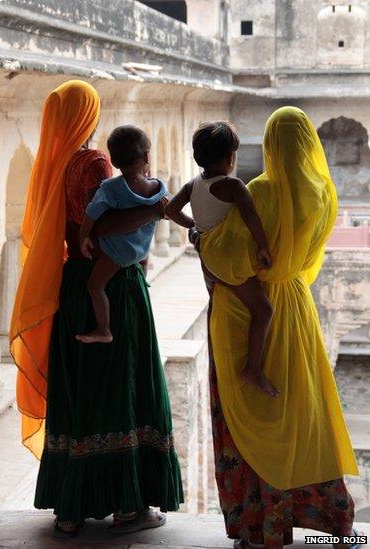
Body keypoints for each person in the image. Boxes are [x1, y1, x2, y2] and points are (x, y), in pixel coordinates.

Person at [10, 80, 183, 537]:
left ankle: (71, 509)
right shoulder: (91, 162)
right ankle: (128, 506)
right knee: (123, 386)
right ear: (87, 115)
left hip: (76, 288)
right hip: (114, 284)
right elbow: (107, 224)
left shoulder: (51, 165)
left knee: (80, 392)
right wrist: (158, 209)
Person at [192, 107, 359, 548]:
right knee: (302, 408)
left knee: (246, 411)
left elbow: (229, 257)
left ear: (268, 144)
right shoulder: (323, 192)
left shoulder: (261, 191)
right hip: (296, 306)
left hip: (245, 311)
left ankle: (260, 523)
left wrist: (199, 239)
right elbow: (310, 259)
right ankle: (326, 514)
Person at [166, 121, 279, 397]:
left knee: (222, 303)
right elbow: (251, 217)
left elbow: (170, 209)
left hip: (207, 258)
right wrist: (264, 247)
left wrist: (193, 227)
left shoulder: (193, 185)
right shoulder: (233, 186)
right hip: (228, 260)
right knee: (263, 310)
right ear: (230, 157)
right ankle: (252, 368)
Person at [76, 125, 166, 344]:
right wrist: (192, 224)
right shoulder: (156, 186)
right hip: (141, 253)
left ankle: (104, 329)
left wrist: (83, 236)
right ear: (146, 156)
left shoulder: (110, 188)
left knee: (94, 286)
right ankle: (143, 281)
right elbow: (170, 209)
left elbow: (93, 214)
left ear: (113, 162)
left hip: (116, 254)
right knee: (139, 275)